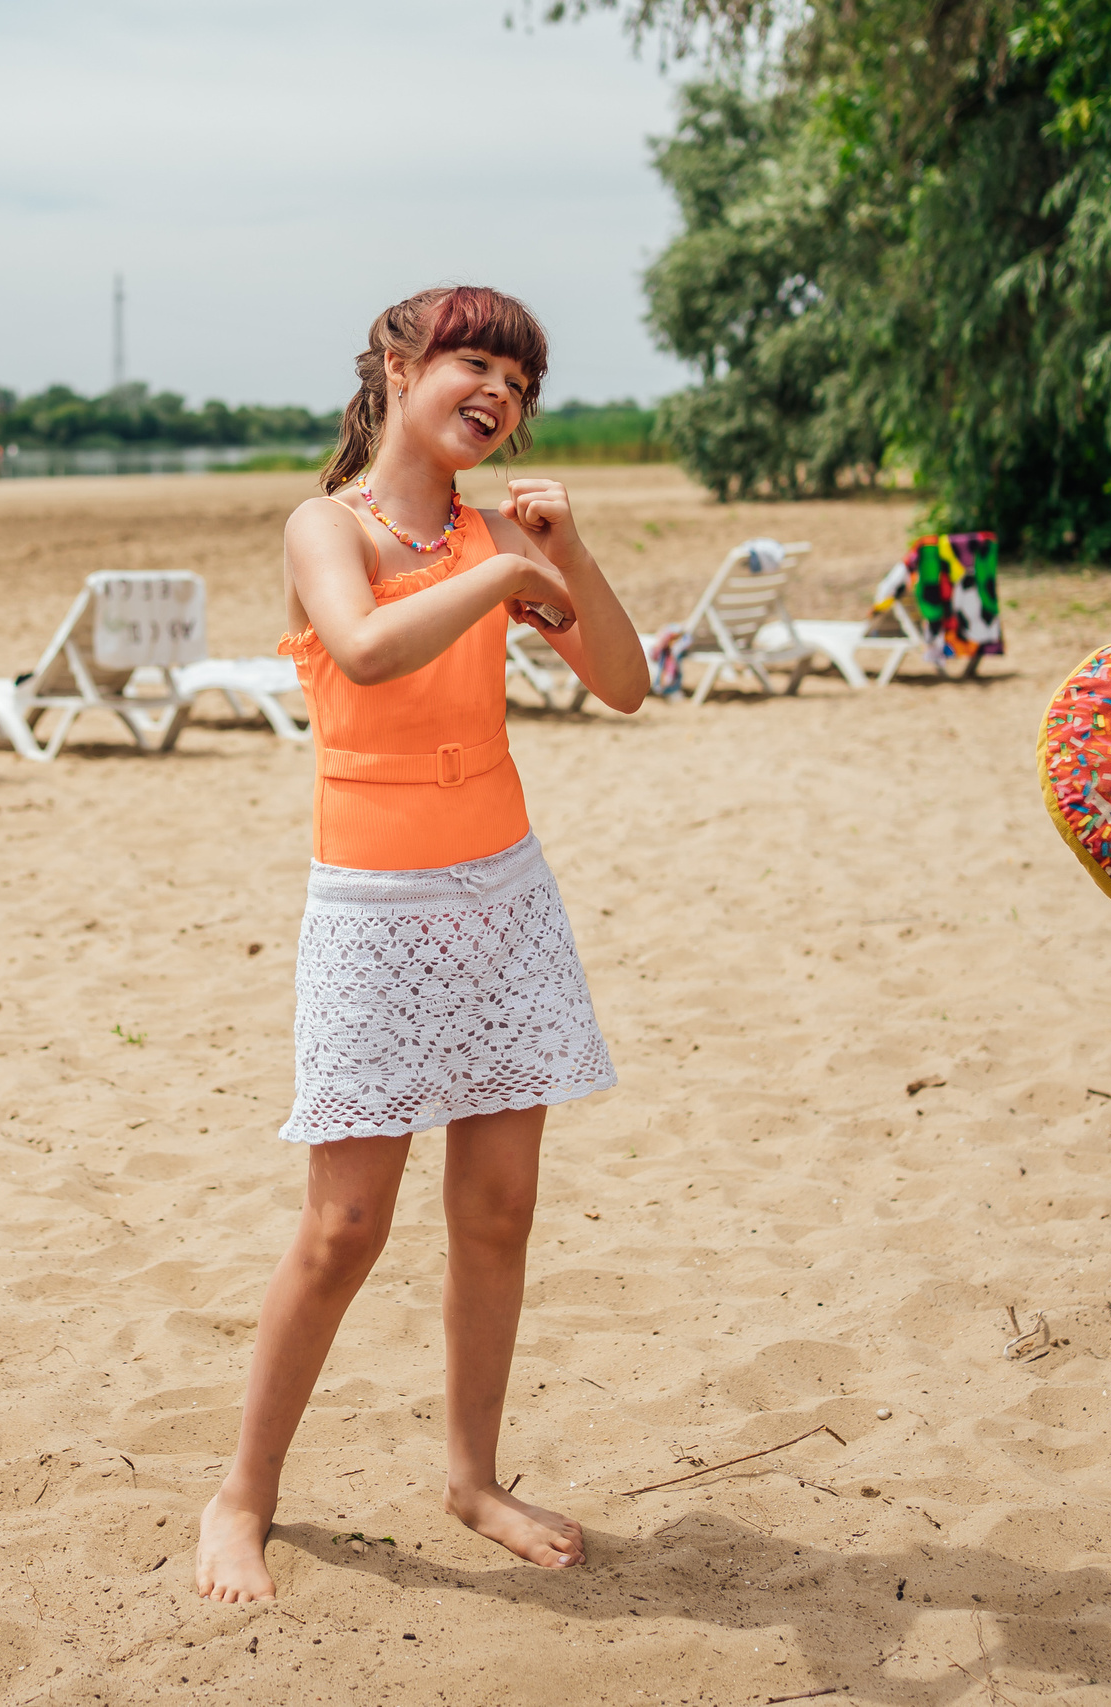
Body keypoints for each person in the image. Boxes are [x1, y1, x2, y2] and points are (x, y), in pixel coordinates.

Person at [195, 287, 647, 1603]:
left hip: (502, 898)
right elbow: (366, 648)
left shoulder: (509, 531)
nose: (498, 391)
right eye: (473, 360)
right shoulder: (325, 525)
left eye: (520, 377)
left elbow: (621, 681)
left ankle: (472, 1475)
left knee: (498, 1211)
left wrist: (566, 552)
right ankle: (242, 1494)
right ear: (400, 365)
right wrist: (504, 573)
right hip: (374, 912)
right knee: (343, 1225)